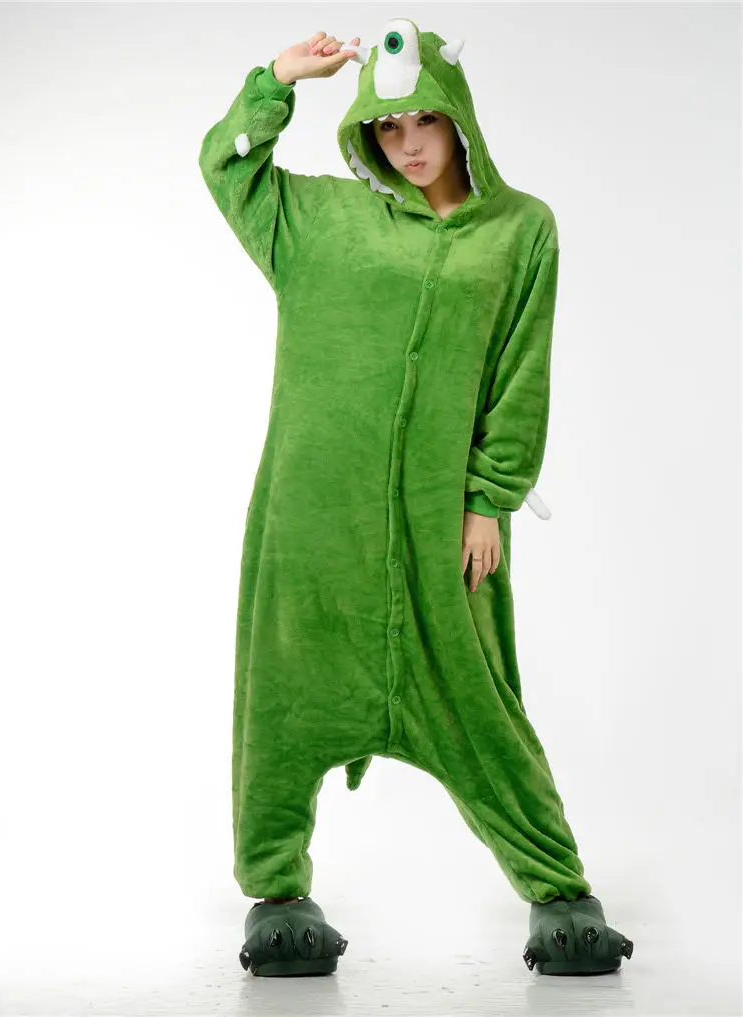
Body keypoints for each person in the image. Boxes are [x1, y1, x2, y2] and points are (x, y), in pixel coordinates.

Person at [198, 18, 634, 979]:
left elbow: (519, 376)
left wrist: (489, 499)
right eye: (388, 128)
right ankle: (277, 896)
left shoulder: (521, 231)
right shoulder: (319, 221)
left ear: (458, 118)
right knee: (284, 705)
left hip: (441, 524)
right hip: (314, 523)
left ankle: (560, 893)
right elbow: (227, 167)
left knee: (480, 707)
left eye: (425, 120)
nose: (408, 143)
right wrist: (276, 80)